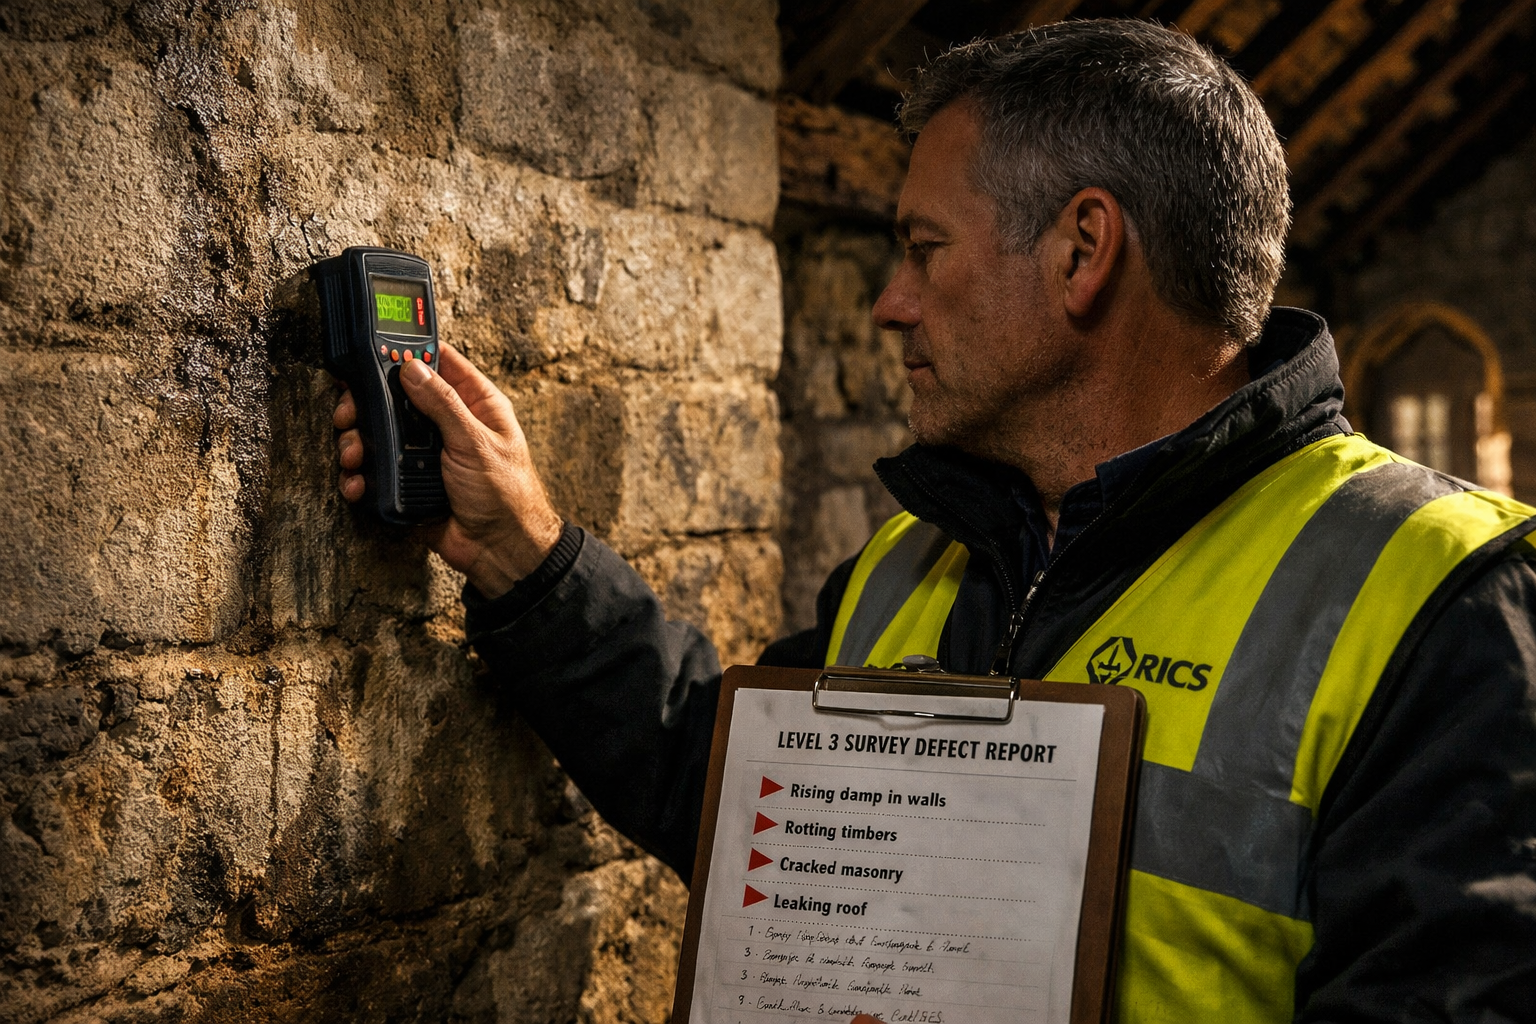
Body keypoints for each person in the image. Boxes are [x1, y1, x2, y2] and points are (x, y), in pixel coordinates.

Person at [332, 19, 1536, 1022]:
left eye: (922, 249)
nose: (890, 306)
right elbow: (749, 803)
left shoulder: (1440, 594)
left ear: (1083, 252)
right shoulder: (917, 563)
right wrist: (525, 553)